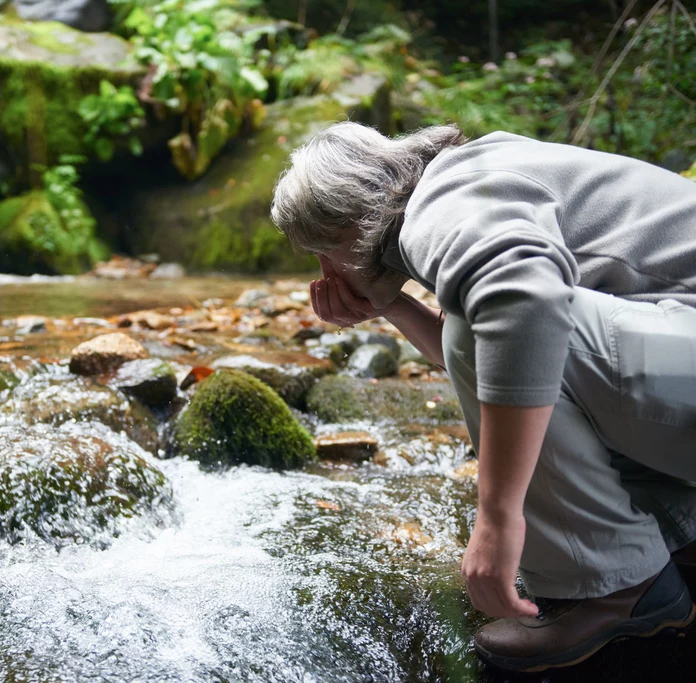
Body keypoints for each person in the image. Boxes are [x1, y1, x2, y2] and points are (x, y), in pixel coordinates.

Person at [270, 122, 696, 672]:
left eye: (321, 253)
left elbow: (524, 308)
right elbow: (501, 366)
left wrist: (497, 518)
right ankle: (678, 536)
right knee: (492, 340)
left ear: (344, 223)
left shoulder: (443, 200)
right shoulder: (475, 178)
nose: (326, 273)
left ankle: (609, 586)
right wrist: (391, 304)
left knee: (492, 325)